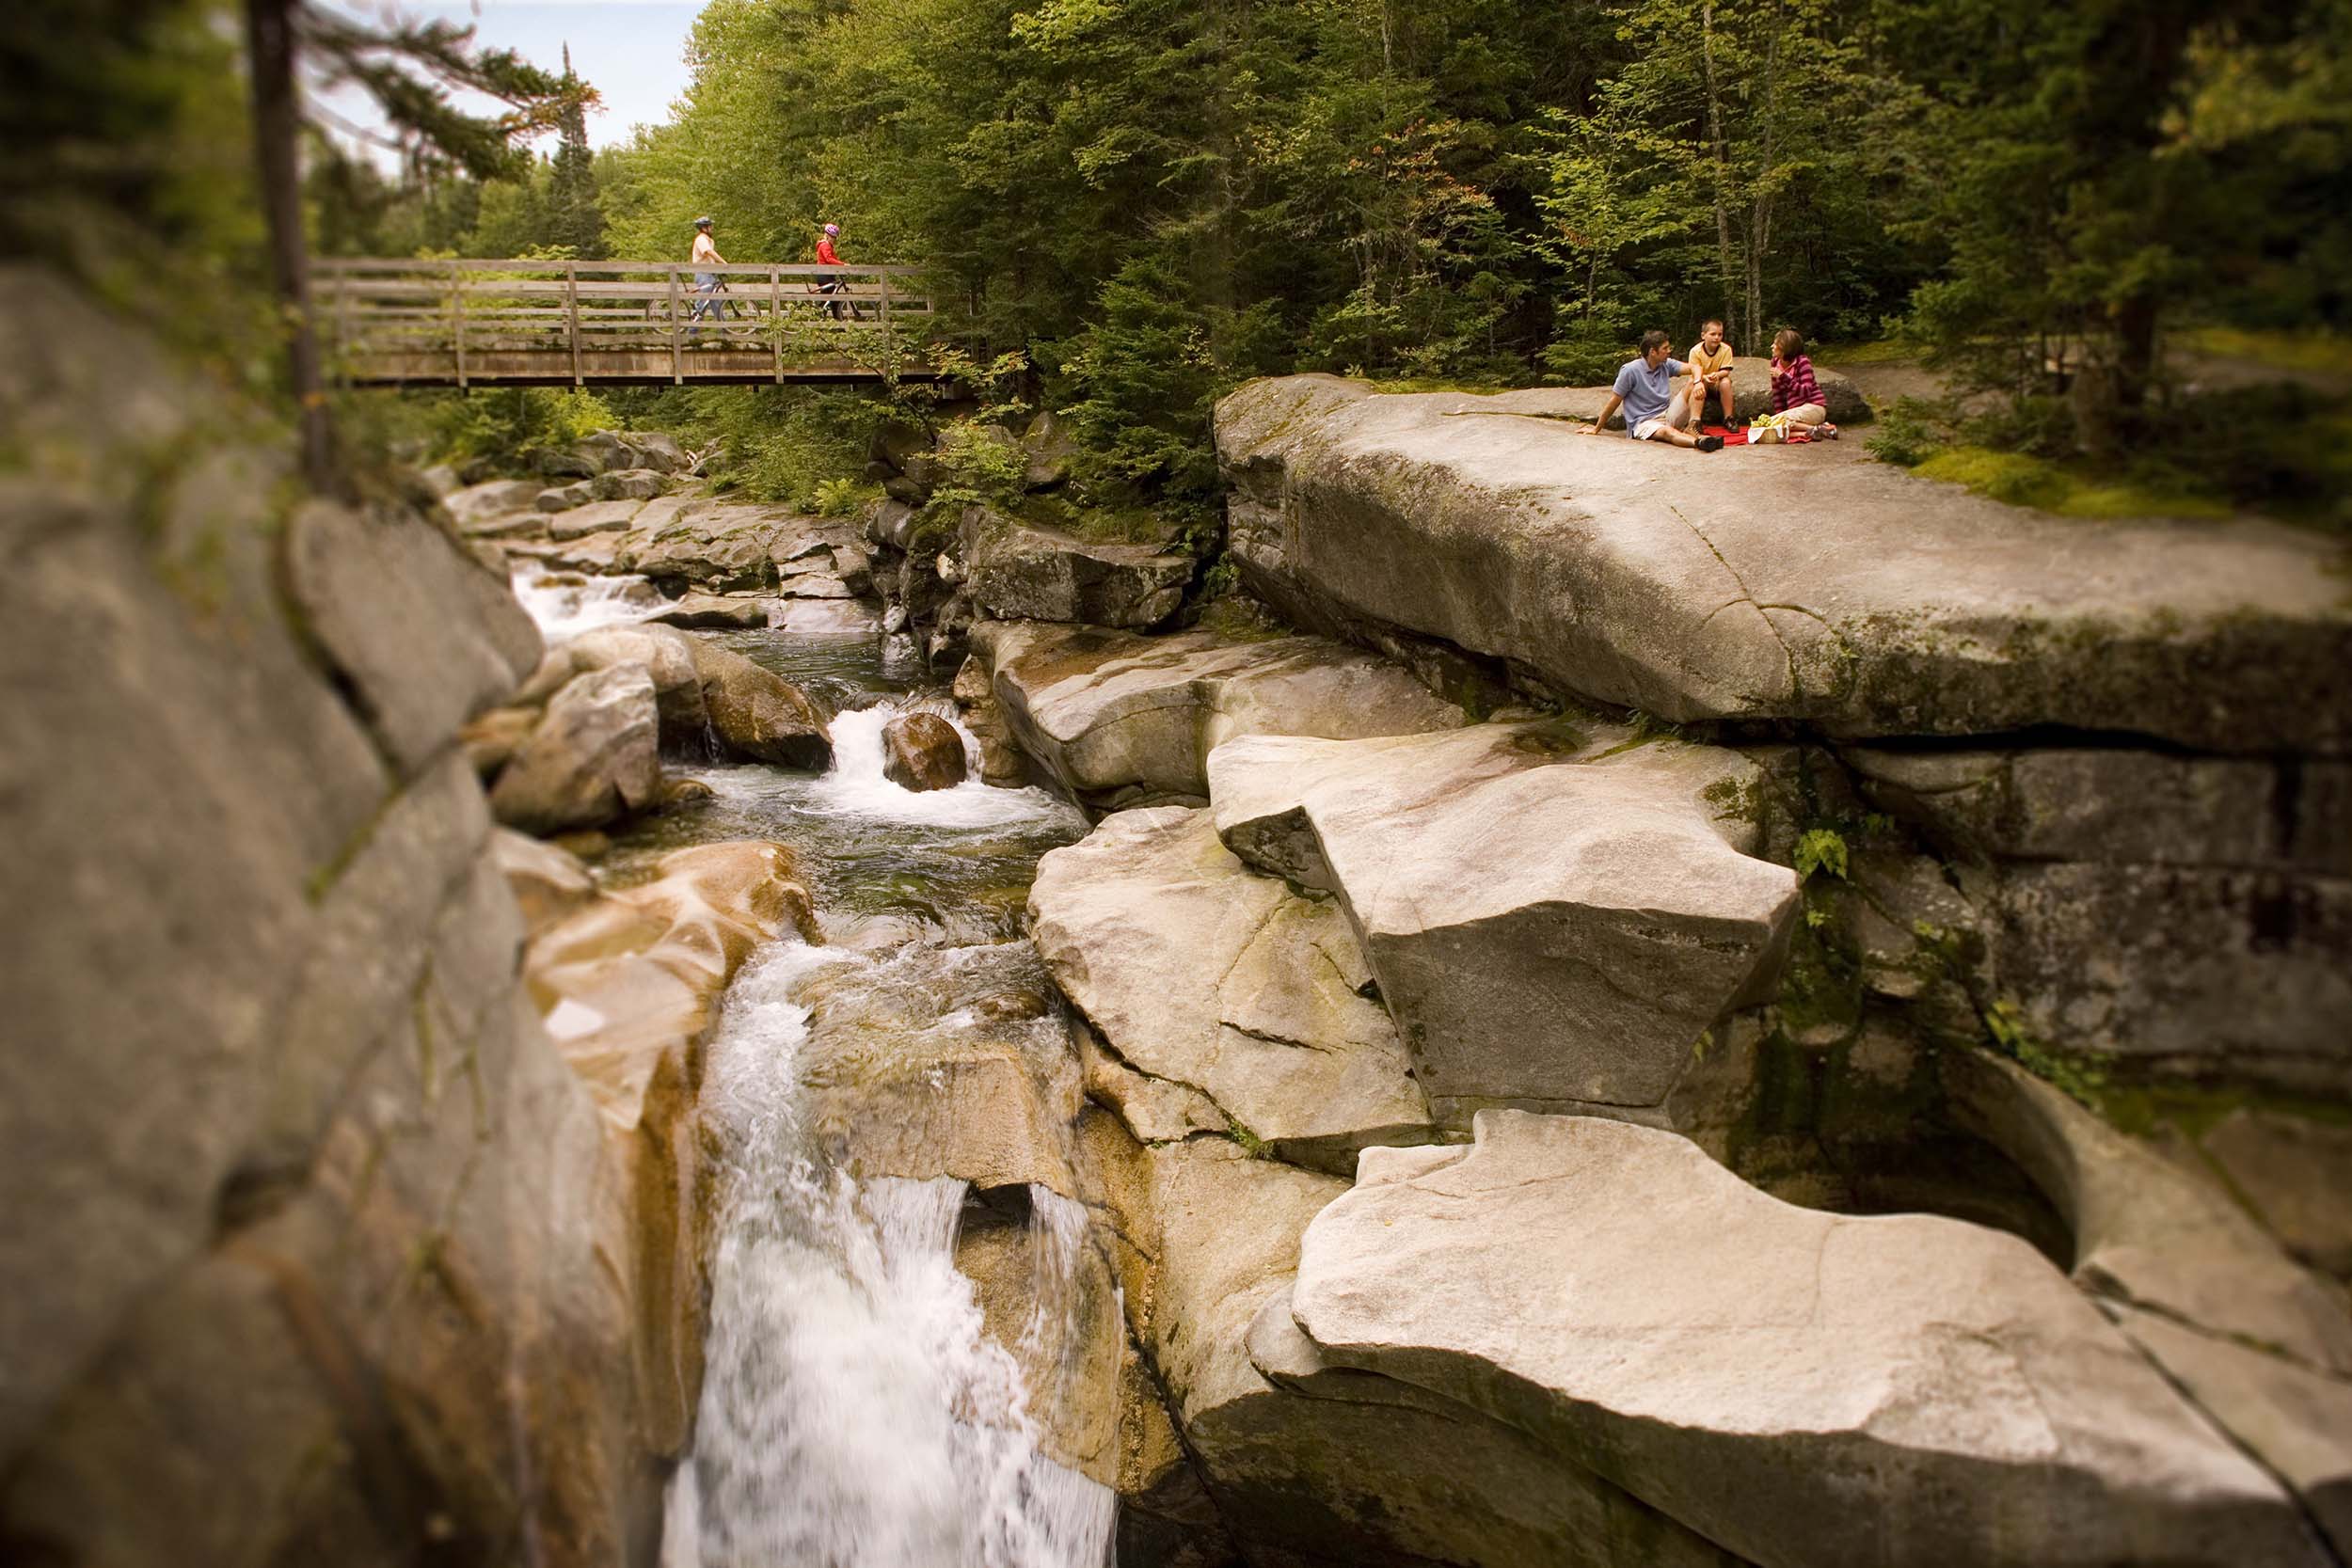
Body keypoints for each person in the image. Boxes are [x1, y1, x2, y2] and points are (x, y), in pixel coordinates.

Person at [1583, 331, 1725, 451]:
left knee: (1692, 383)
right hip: (1644, 423)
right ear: (1653, 352)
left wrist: (1698, 382)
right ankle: (1700, 443)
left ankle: (1693, 426)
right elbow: (1614, 401)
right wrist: (1597, 428)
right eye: (1665, 348)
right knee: (1666, 432)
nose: (1669, 351)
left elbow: (1695, 367)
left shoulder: (1666, 364)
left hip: (1667, 415)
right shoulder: (1630, 370)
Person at [1768, 328, 1837, 438]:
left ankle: (1813, 428)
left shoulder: (1802, 362)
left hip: (1813, 407)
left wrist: (1783, 376)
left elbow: (1805, 391)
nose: (1772, 346)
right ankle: (1810, 432)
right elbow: (1777, 395)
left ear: (1785, 348)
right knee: (1771, 425)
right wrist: (1780, 415)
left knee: (1776, 422)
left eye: (1776, 344)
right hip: (1794, 413)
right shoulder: (1775, 363)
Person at [687, 216, 734, 340]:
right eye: (709, 226)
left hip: (709, 273)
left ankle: (725, 333)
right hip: (703, 273)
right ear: (704, 228)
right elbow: (708, 252)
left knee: (716, 303)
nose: (711, 228)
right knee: (703, 302)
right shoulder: (701, 239)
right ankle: (691, 334)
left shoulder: (707, 239)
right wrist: (724, 263)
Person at [1686, 318, 1738, 431]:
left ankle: (1728, 418)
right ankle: (1695, 420)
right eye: (1713, 334)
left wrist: (1717, 375)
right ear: (1703, 335)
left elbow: (1726, 371)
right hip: (1702, 380)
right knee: (1697, 384)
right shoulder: (1695, 351)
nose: (1716, 337)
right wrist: (1704, 377)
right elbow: (1693, 372)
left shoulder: (1726, 349)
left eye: (1720, 334)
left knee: (1726, 382)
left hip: (1717, 382)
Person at [815, 222, 848, 319]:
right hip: (824, 275)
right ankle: (837, 324)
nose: (834, 240)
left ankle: (824, 321)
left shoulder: (827, 245)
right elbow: (829, 259)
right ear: (828, 236)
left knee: (829, 300)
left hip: (827, 275)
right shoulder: (825, 245)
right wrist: (843, 265)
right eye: (833, 237)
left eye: (835, 237)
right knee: (833, 299)